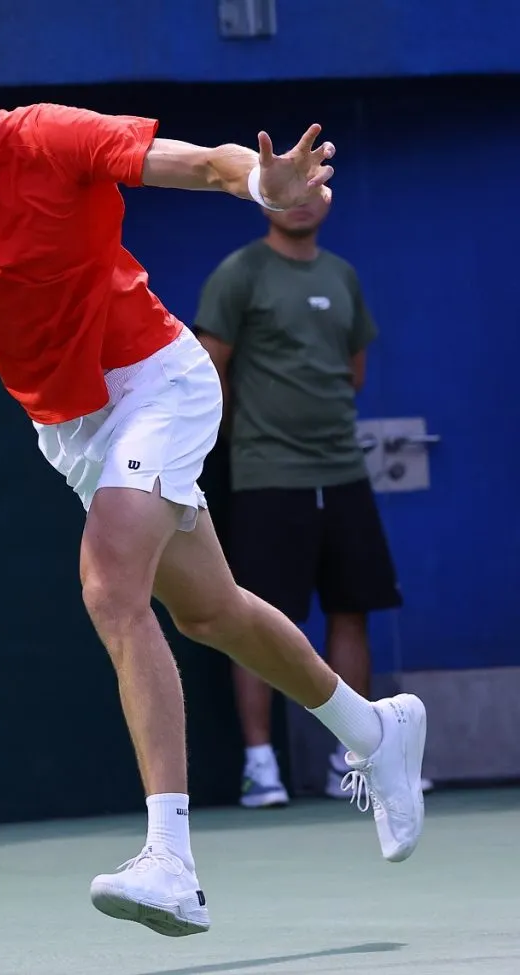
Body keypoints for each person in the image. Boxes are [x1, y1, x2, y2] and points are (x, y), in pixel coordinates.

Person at [0, 42, 428, 939]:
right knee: (212, 612)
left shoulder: (46, 138)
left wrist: (266, 185)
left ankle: (171, 857)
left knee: (110, 587)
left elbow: (203, 164)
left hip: (156, 380)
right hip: (72, 428)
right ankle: (374, 729)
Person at [194, 197, 428, 810]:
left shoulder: (341, 275)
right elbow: (209, 365)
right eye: (287, 190)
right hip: (268, 475)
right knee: (257, 619)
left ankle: (352, 762)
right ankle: (259, 765)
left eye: (314, 189)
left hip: (343, 471)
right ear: (267, 200)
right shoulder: (239, 273)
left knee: (353, 611)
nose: (301, 202)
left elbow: (353, 371)